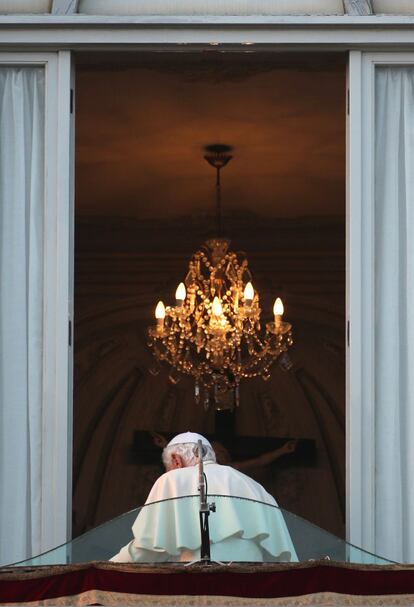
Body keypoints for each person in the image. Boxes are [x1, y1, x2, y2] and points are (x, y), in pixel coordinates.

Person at [110, 432, 298, 563]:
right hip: (250, 592)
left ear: (176, 460)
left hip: (197, 585)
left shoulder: (172, 480)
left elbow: (149, 549)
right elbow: (280, 556)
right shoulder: (255, 487)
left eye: (169, 466)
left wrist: (105, 567)